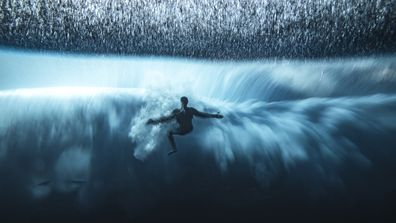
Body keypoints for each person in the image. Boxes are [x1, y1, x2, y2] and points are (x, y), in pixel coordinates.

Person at [146, 96, 223, 155]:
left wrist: (215, 115)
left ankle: (174, 149)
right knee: (170, 124)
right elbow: (166, 119)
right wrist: (215, 115)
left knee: (169, 131)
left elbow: (202, 114)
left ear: (185, 102)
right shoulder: (179, 111)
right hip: (186, 129)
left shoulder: (188, 111)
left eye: (184, 102)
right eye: (183, 102)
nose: (184, 103)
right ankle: (174, 148)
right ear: (182, 102)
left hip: (185, 130)